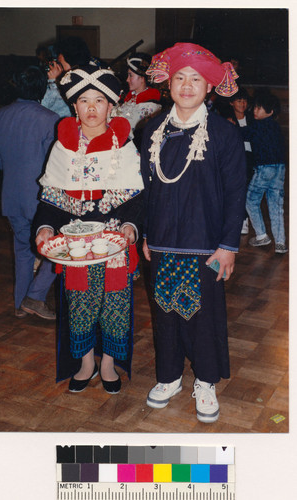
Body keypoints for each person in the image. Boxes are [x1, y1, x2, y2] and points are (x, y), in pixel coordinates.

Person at [140, 42, 247, 423]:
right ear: (169, 82)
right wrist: (147, 235)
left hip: (206, 244)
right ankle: (169, 377)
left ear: (209, 87)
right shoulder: (152, 130)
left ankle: (205, 380)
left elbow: (237, 192)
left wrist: (228, 246)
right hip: (163, 241)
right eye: (180, 77)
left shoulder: (223, 133)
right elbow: (147, 188)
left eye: (196, 79)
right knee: (165, 311)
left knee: (204, 314)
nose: (186, 85)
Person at [34, 65, 144, 394]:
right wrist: (44, 227)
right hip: (75, 246)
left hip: (114, 245)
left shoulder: (124, 148)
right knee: (79, 305)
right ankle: (85, 363)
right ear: (74, 106)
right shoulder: (62, 148)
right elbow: (50, 201)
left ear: (112, 106)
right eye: (84, 101)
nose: (92, 108)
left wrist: (129, 225)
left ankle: (108, 363)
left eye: (99, 100)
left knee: (114, 305)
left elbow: (137, 198)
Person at [0, 66, 59, 319]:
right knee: (58, 247)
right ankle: (36, 297)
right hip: (42, 197)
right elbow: (53, 161)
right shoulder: (50, 118)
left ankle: (22, 302)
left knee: (22, 249)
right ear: (42, 87)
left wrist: (13, 167)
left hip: (10, 193)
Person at [241, 89, 288, 253]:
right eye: (255, 107)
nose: (255, 110)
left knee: (251, 201)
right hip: (280, 169)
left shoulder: (257, 126)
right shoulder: (276, 127)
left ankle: (261, 235)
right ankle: (280, 243)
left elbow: (242, 133)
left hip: (264, 169)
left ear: (270, 111)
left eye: (259, 108)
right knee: (276, 206)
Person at [111, 53, 161, 148]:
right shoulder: (131, 98)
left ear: (142, 78)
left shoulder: (150, 105)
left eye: (130, 76)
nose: (127, 79)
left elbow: (129, 129)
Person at [40, 37, 92, 117]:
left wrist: (52, 82)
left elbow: (42, 108)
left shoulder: (76, 85)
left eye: (60, 63)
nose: (58, 67)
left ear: (73, 65)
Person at [227, 87, 254, 235]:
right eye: (239, 101)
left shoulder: (252, 118)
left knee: (248, 190)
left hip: (251, 158)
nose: (242, 104)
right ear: (232, 103)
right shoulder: (227, 119)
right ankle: (241, 219)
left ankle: (245, 219)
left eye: (244, 101)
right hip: (236, 158)